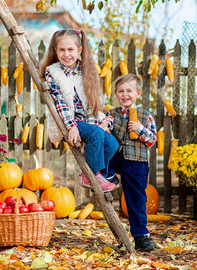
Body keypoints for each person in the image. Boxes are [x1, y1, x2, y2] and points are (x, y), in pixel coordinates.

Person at [40, 29, 119, 192]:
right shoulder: (53, 72)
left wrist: (103, 122)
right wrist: (71, 126)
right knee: (96, 134)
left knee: (112, 143)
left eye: (71, 49)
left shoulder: (87, 71)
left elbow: (93, 102)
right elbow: (59, 103)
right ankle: (92, 175)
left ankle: (102, 172)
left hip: (87, 122)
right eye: (61, 50)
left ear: (79, 50)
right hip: (66, 121)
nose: (66, 54)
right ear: (55, 51)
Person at [108, 73, 158, 252]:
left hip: (136, 162)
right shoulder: (112, 114)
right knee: (103, 151)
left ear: (138, 93)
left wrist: (140, 129)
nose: (125, 94)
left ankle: (141, 236)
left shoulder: (146, 116)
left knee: (136, 199)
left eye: (129, 91)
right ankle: (109, 176)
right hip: (117, 157)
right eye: (120, 91)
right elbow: (105, 129)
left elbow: (152, 140)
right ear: (116, 94)